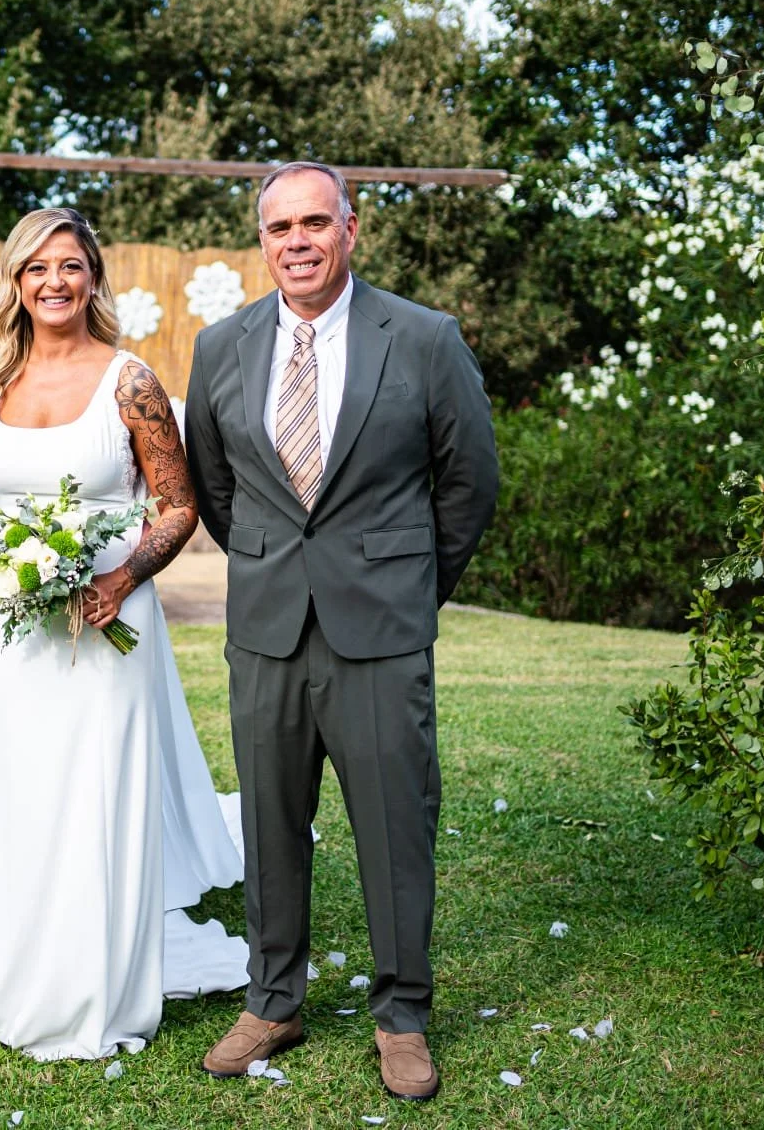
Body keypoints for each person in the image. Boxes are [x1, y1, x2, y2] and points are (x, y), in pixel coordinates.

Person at [182, 161, 499, 1100]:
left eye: (316, 223)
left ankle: (402, 1015)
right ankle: (273, 1001)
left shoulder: (426, 338)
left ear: (351, 229)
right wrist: (274, 563)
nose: (299, 242)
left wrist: (409, 589)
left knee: (396, 824)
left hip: (382, 628)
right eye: (280, 227)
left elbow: (469, 482)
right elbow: (215, 485)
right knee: (270, 821)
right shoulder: (221, 346)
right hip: (268, 628)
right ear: (263, 240)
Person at [0, 207, 242, 1061]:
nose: (53, 281)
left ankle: (94, 985)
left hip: (108, 623)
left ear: (93, 276)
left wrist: (121, 579)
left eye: (69, 265)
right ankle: (0, 972)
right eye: (36, 268)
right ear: (16, 282)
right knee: (16, 785)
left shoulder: (130, 382)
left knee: (97, 791)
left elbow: (178, 506)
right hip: (13, 628)